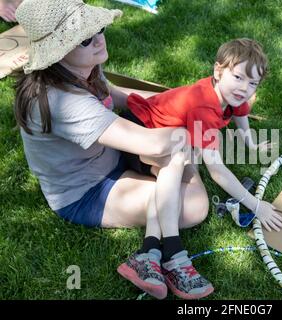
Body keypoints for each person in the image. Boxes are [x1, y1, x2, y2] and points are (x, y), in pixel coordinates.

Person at [14, 0, 212, 300]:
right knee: (194, 200)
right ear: (57, 51)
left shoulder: (82, 68)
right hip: (87, 192)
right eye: (84, 38)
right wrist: (196, 120)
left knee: (176, 149)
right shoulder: (61, 100)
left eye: (98, 29)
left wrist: (177, 101)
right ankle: (165, 250)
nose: (98, 39)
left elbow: (122, 99)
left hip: (113, 156)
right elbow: (157, 142)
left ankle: (150, 251)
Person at [125, 38, 282, 233]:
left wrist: (251, 144)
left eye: (253, 83)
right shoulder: (205, 108)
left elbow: (241, 113)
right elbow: (217, 171)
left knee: (190, 155)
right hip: (140, 134)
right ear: (218, 71)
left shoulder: (234, 94)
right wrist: (256, 206)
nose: (245, 88)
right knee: (184, 170)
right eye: (238, 77)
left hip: (161, 129)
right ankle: (151, 185)